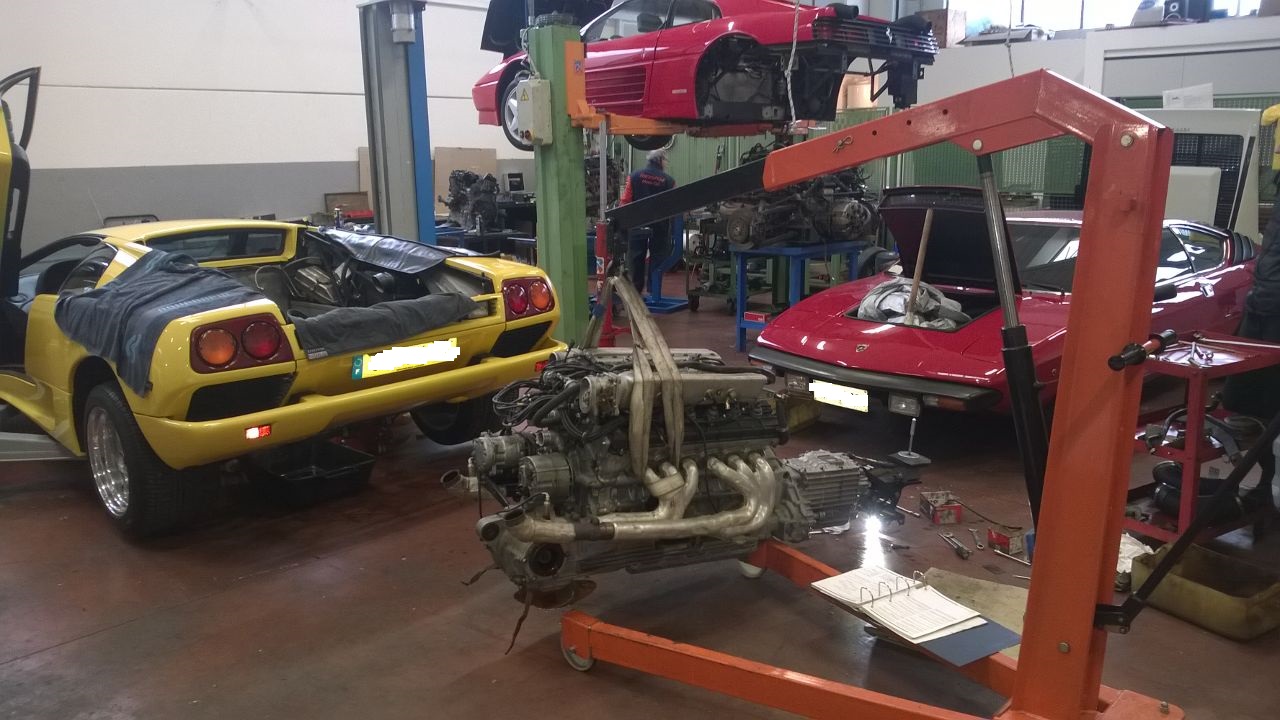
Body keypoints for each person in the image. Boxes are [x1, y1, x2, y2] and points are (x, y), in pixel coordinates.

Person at [618, 149, 676, 292]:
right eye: (666, 160)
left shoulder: (634, 176)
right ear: (660, 160)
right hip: (660, 226)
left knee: (636, 259)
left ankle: (636, 293)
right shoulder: (669, 181)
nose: (666, 163)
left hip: (637, 225)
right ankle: (653, 291)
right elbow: (674, 205)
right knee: (657, 259)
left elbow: (625, 201)